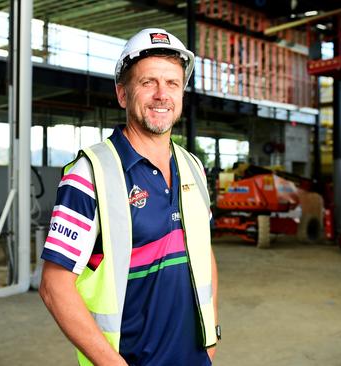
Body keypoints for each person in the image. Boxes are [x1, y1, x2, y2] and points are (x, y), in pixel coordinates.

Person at [40, 28, 219, 365]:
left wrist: (211, 337)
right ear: (123, 94)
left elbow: (204, 253)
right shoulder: (89, 174)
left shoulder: (193, 167)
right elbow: (54, 286)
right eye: (148, 82)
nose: (162, 95)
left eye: (172, 84)